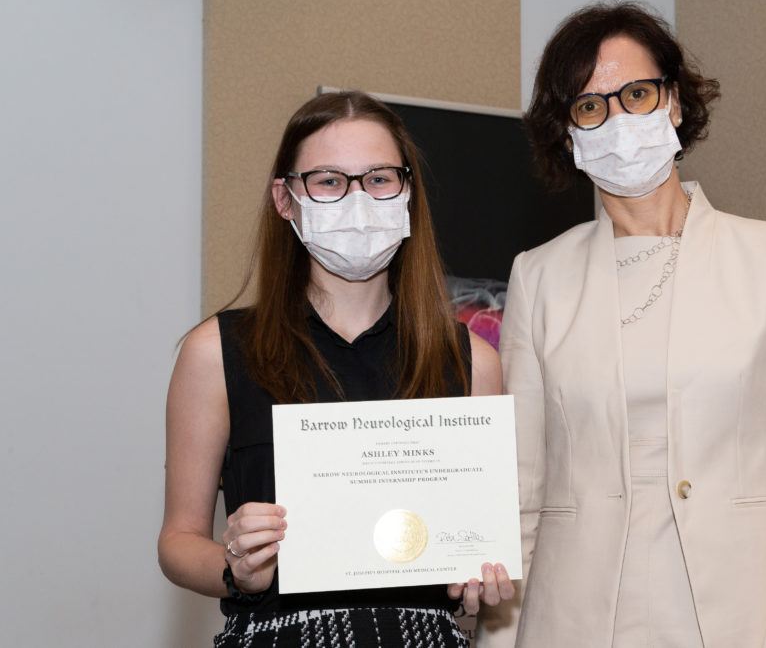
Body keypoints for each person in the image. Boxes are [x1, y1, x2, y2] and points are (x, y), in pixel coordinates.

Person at [476, 2, 766, 647]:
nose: (617, 118)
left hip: (738, 616)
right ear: (568, 133)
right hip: (572, 620)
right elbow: (520, 490)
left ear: (674, 103)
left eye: (637, 93)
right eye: (590, 106)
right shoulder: (537, 277)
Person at [158, 91, 514, 647]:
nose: (357, 199)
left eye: (378, 179)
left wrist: (477, 581)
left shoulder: (474, 362)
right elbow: (178, 541)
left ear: (408, 193)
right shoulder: (216, 352)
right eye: (327, 181)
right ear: (286, 198)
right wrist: (236, 569)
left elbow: (476, 548)